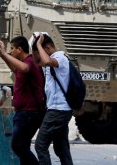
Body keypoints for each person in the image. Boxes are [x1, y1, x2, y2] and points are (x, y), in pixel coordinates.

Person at [0, 36, 45, 165]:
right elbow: (15, 69)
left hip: (28, 113)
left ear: (19, 49)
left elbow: (24, 68)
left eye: (12, 49)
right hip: (24, 113)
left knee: (17, 145)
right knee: (23, 146)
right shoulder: (23, 64)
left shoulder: (29, 62)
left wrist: (4, 54)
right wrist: (3, 56)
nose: (11, 52)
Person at [32, 34, 74, 165]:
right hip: (60, 109)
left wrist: (38, 45)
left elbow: (47, 62)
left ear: (48, 47)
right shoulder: (58, 58)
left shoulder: (59, 57)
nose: (38, 57)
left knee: (40, 145)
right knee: (61, 148)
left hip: (58, 110)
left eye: (40, 52)